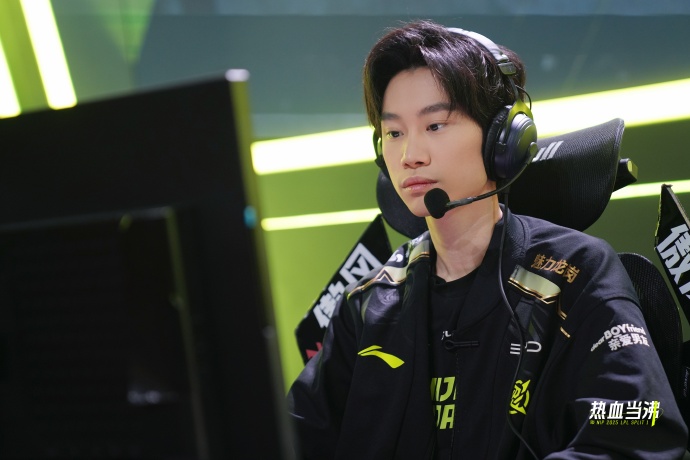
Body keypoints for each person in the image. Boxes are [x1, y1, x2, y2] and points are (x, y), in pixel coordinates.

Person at [287, 20, 689, 459]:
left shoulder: (577, 274)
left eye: (435, 126)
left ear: (503, 139)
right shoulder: (368, 303)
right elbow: (291, 438)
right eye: (394, 133)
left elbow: (636, 437)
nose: (409, 155)